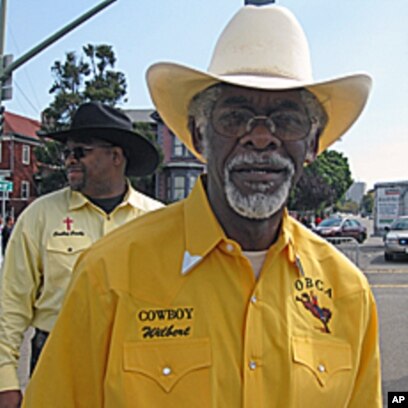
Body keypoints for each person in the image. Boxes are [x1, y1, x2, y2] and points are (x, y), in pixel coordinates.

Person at [23, 5, 381, 407]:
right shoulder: (108, 273)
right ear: (198, 134)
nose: (261, 137)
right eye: (235, 116)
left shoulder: (348, 292)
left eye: (288, 119)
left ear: (312, 144)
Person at [0, 101, 163, 408]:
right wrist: (5, 380)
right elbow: (10, 305)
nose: (69, 160)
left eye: (81, 151)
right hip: (56, 359)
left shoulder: (158, 222)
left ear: (116, 156)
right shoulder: (39, 217)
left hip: (139, 365)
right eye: (66, 153)